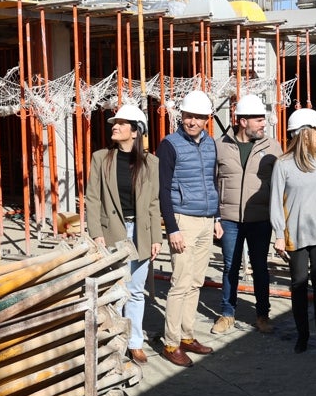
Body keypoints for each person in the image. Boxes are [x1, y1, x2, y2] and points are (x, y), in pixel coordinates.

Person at [85, 104, 161, 365]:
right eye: (114, 123)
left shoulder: (151, 163)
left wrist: (156, 238)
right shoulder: (101, 159)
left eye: (121, 123)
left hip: (141, 232)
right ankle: (114, 343)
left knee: (136, 291)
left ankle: (135, 343)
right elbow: (93, 199)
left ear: (136, 130)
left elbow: (153, 203)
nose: (115, 126)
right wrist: (96, 233)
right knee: (115, 290)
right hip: (111, 232)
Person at [157, 90, 221, 368]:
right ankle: (171, 343)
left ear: (207, 119)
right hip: (182, 220)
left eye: (197, 117)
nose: (191, 121)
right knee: (180, 284)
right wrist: (172, 228)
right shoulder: (169, 145)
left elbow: (212, 182)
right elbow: (162, 189)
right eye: (187, 116)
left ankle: (187, 335)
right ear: (180, 116)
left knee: (196, 283)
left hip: (207, 220)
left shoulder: (210, 144)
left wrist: (216, 217)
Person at [213, 93, 282, 335]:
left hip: (260, 218)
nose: (264, 123)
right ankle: (227, 314)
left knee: (260, 267)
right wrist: (215, 217)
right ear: (243, 121)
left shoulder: (272, 147)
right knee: (230, 267)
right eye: (258, 119)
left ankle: (263, 315)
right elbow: (213, 182)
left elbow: (281, 183)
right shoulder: (220, 145)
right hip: (229, 218)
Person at [271, 108, 316, 354]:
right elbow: (276, 201)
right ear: (306, 133)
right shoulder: (283, 165)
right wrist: (278, 235)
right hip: (295, 235)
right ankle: (303, 335)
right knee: (299, 285)